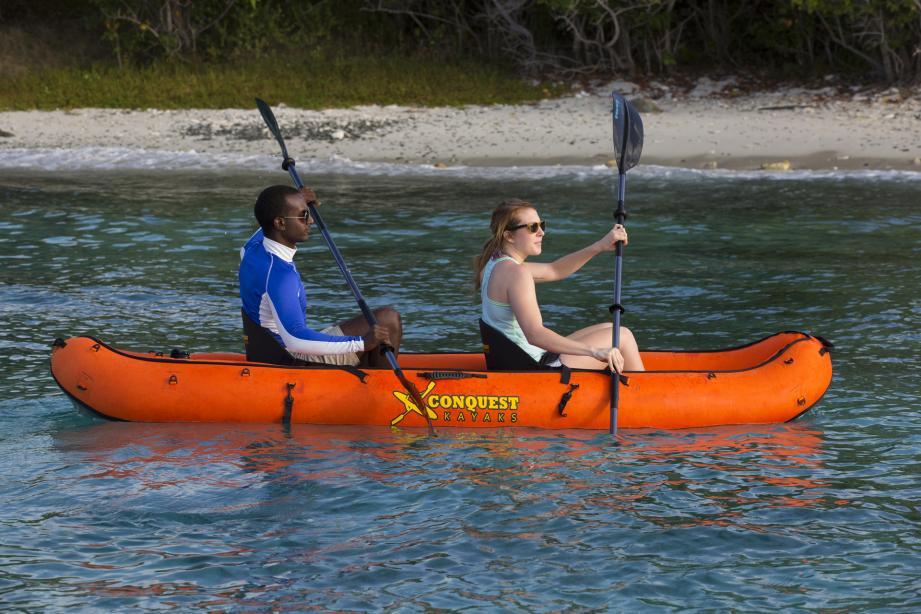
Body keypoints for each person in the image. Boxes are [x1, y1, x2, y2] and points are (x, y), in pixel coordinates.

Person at [474, 198, 645, 373]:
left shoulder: (493, 265)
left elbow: (555, 270)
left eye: (542, 225)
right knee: (623, 336)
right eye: (532, 228)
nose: (541, 233)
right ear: (509, 236)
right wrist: (594, 352)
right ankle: (643, 394)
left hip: (517, 360)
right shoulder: (517, 273)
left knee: (611, 329)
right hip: (535, 367)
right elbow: (534, 334)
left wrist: (599, 246)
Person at [239, 185, 401, 367]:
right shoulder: (280, 276)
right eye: (303, 216)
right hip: (290, 360)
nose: (311, 221)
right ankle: (384, 390)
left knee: (381, 322)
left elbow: (267, 218)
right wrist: (362, 342)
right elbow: (295, 339)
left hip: (266, 351)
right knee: (388, 320)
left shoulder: (251, 250)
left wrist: (298, 199)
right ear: (280, 223)